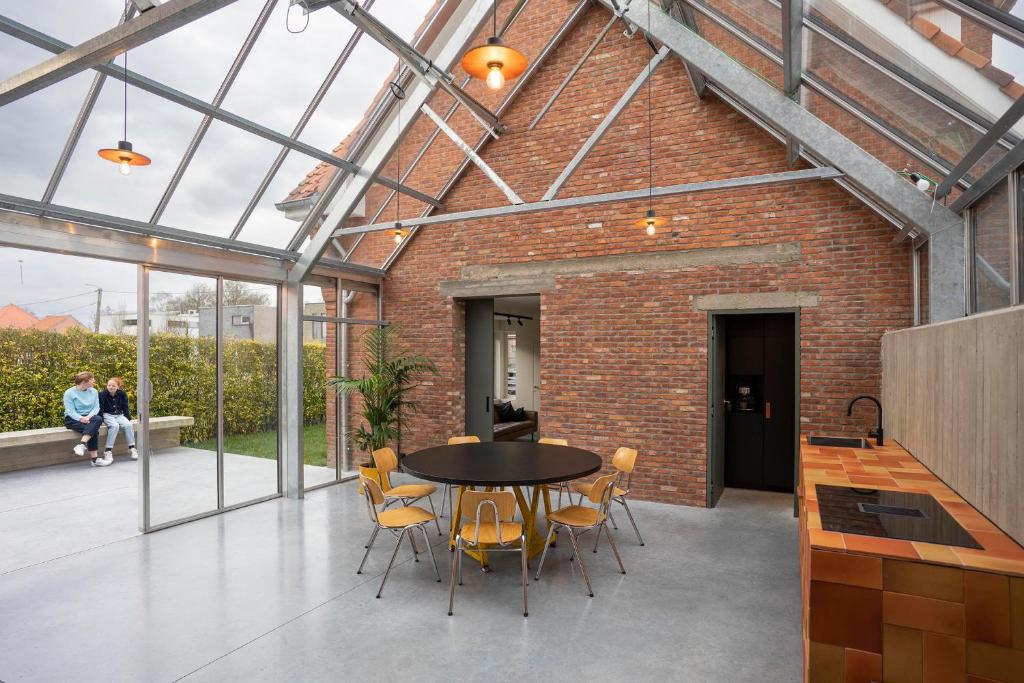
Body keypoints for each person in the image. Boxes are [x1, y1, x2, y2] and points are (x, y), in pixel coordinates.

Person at [63, 371, 111, 467]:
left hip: (90, 417)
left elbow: (96, 408)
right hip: (73, 418)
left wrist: (88, 417)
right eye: (92, 379)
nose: (94, 381)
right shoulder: (69, 393)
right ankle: (95, 460)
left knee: (98, 419)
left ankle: (82, 445)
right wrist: (81, 418)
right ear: (85, 382)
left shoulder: (93, 391)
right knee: (94, 430)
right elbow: (70, 411)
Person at [99, 377, 138, 461]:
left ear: (118, 386)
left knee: (128, 425)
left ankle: (132, 448)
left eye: (113, 385)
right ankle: (107, 451)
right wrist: (101, 420)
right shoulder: (102, 394)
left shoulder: (122, 394)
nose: (111, 387)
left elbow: (125, 407)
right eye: (109, 385)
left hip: (119, 415)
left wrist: (127, 418)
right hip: (107, 415)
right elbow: (100, 408)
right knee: (114, 426)